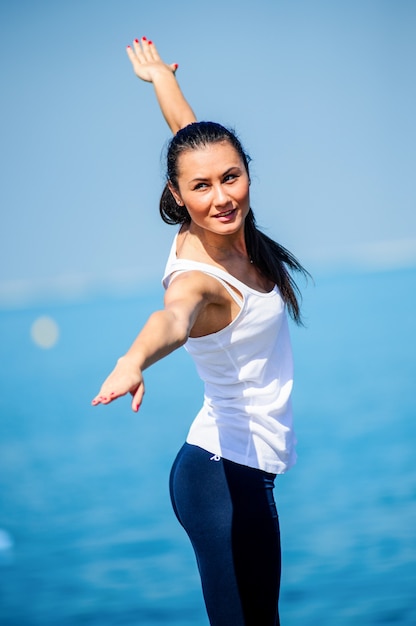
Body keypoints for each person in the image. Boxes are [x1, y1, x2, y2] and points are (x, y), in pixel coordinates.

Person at [92, 36, 309, 626]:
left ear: (244, 173)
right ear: (178, 195)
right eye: (202, 187)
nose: (221, 196)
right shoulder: (198, 278)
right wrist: (134, 358)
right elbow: (172, 319)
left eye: (231, 177)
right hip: (220, 480)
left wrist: (161, 77)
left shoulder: (229, 214)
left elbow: (186, 128)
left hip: (241, 469)